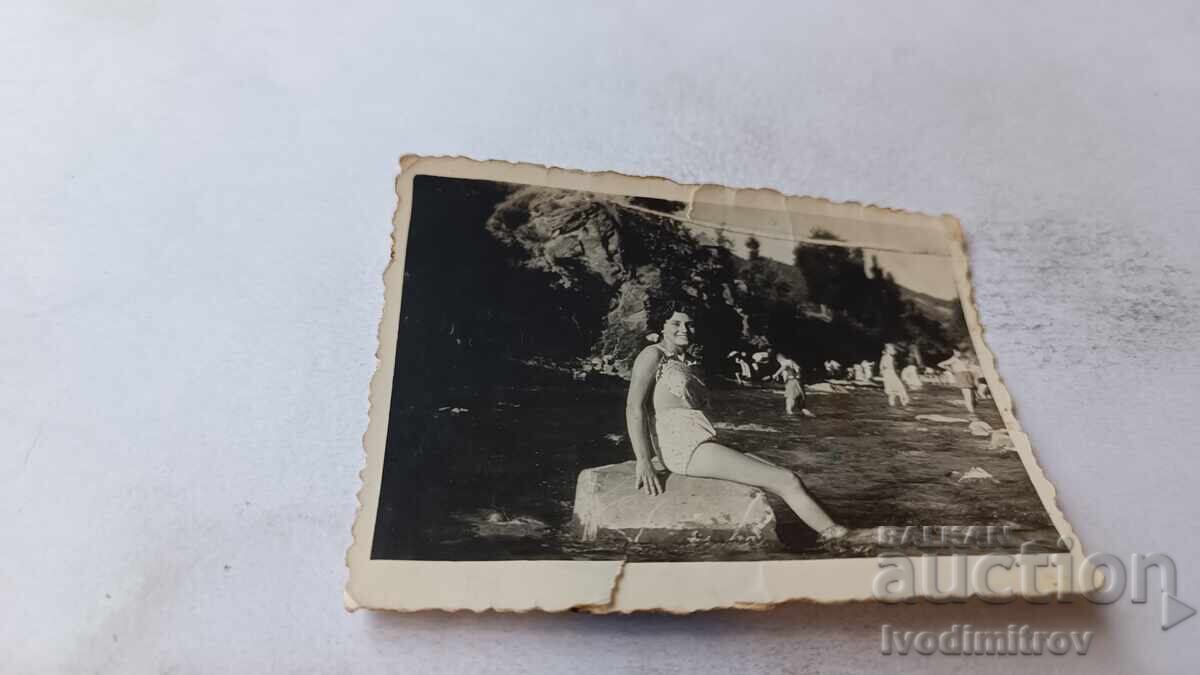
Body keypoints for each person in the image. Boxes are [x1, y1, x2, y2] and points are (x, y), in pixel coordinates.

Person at [625, 300, 858, 543]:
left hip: (701, 440)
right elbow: (634, 407)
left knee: (786, 476)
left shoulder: (689, 362)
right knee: (786, 480)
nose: (684, 329)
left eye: (689, 324)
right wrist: (644, 460)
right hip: (683, 449)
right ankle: (839, 536)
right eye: (676, 323)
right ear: (661, 327)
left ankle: (831, 530)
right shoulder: (652, 355)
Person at [766, 352, 815, 417]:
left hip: (792, 384)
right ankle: (813, 417)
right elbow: (794, 371)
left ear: (778, 359)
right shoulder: (792, 363)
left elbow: (784, 366)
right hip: (798, 384)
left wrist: (774, 375)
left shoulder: (786, 361)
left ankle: (791, 423)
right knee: (802, 408)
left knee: (788, 409)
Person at [938, 348, 976, 414]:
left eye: (956, 351)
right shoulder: (954, 358)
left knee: (973, 398)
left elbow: (970, 366)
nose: (955, 353)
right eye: (954, 351)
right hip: (962, 375)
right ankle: (972, 414)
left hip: (968, 375)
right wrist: (951, 370)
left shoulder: (965, 357)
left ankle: (970, 409)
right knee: (968, 397)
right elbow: (940, 364)